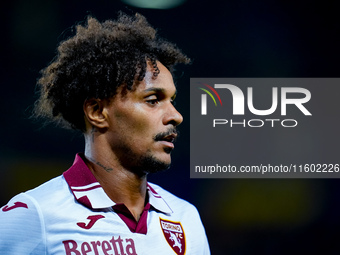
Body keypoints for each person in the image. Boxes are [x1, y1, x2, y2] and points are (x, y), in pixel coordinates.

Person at [0, 12, 210, 255]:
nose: (176, 116)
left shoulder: (186, 218)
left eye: (172, 100)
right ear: (97, 111)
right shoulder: (35, 215)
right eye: (153, 100)